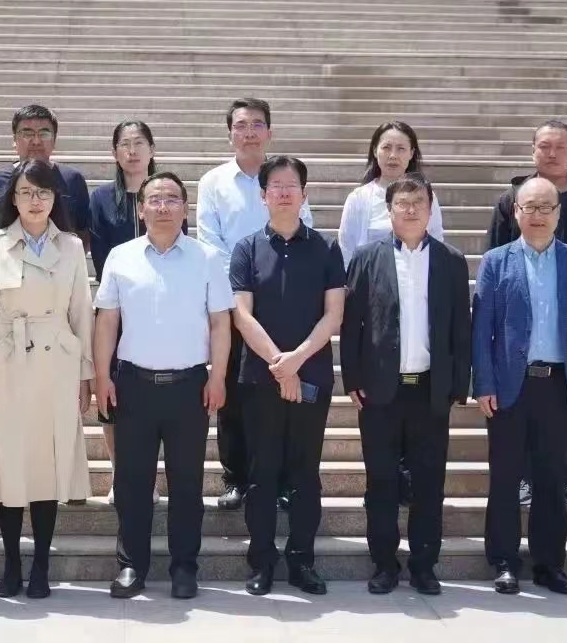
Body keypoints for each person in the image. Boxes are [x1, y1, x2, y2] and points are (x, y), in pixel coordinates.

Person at [94, 172, 232, 600]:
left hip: (189, 386)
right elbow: (107, 321)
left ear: (185, 208)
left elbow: (220, 322)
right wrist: (102, 376)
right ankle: (131, 565)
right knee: (132, 483)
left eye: (172, 198)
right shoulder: (121, 256)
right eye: (154, 199)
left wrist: (218, 376)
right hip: (133, 385)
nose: (163, 206)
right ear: (141, 209)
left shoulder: (207, 257)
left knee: (187, 484)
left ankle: (184, 567)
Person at [0, 160, 94, 600]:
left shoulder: (71, 247)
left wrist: (85, 376)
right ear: (13, 199)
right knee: (9, 466)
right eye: (26, 192)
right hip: (6, 363)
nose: (35, 201)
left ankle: (40, 565)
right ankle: (11, 565)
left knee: (45, 467)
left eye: (43, 192)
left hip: (56, 364)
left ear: (55, 198)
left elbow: (82, 313)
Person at [340, 173, 471, 597]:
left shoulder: (450, 260)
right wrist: (353, 377)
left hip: (430, 390)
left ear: (431, 210)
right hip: (380, 391)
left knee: (429, 483)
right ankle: (383, 564)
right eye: (402, 203)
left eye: (419, 203)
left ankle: (424, 566)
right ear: (389, 210)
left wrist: (458, 384)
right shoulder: (367, 258)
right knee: (381, 482)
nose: (411, 210)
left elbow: (461, 327)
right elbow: (352, 324)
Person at [472, 177, 567, 596]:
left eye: (546, 207)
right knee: (505, 476)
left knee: (551, 478)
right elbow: (482, 330)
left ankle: (549, 564)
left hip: (559, 385)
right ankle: (504, 561)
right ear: (516, 212)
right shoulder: (496, 261)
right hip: (510, 385)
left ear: (558, 213)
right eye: (529, 207)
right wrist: (484, 383)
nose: (537, 215)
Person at [487, 120, 567, 508]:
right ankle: (526, 478)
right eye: (544, 146)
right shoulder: (511, 199)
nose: (552, 153)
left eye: (561, 147)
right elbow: (495, 253)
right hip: (522, 319)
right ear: (533, 151)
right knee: (520, 408)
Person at [230, 155, 345, 596]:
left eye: (290, 184)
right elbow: (242, 315)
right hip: (260, 379)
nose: (282, 191)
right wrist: (280, 365)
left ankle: (301, 561)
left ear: (304, 194)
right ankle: (261, 562)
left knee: (304, 474)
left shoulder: (326, 249)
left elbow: (333, 315)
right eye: (274, 185)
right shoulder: (246, 248)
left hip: (311, 375)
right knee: (261, 474)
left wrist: (296, 361)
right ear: (263, 196)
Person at [196, 97, 313, 511]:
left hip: (281, 301)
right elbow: (209, 240)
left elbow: (304, 228)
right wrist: (245, 280)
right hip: (231, 303)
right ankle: (236, 478)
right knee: (233, 391)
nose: (249, 133)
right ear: (230, 133)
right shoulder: (213, 182)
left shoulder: (284, 178)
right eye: (241, 125)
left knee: (280, 392)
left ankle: (280, 480)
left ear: (270, 132)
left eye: (257, 124)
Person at [89, 121, 186, 505]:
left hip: (163, 308)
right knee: (114, 398)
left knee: (157, 402)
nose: (132, 151)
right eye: (125, 144)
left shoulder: (167, 195)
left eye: (139, 143)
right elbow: (101, 257)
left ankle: (152, 477)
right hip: (116, 307)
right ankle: (121, 474)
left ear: (152, 149)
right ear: (115, 153)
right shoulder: (101, 199)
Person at [0, 104, 91, 251]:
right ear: (14, 139)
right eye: (27, 134)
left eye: (44, 134)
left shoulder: (72, 180)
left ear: (54, 140)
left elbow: (83, 233)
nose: (36, 141)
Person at [338, 121, 445, 267]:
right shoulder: (358, 198)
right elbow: (346, 250)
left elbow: (436, 243)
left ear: (411, 153)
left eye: (401, 149)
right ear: (375, 151)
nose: (393, 155)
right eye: (386, 148)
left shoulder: (426, 196)